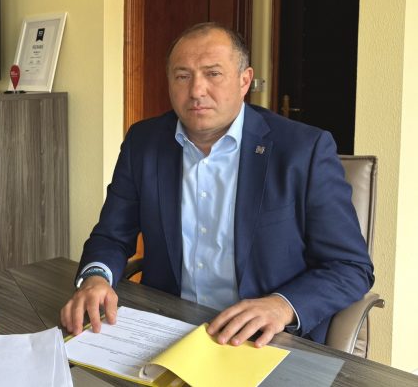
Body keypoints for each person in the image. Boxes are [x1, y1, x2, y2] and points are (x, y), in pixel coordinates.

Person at [60, 22, 374, 348]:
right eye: (183, 76)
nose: (197, 90)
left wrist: (281, 306)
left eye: (213, 74)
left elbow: (350, 267)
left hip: (267, 340)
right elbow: (111, 236)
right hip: (166, 329)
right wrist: (95, 278)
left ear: (244, 80)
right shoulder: (144, 142)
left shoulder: (303, 150)